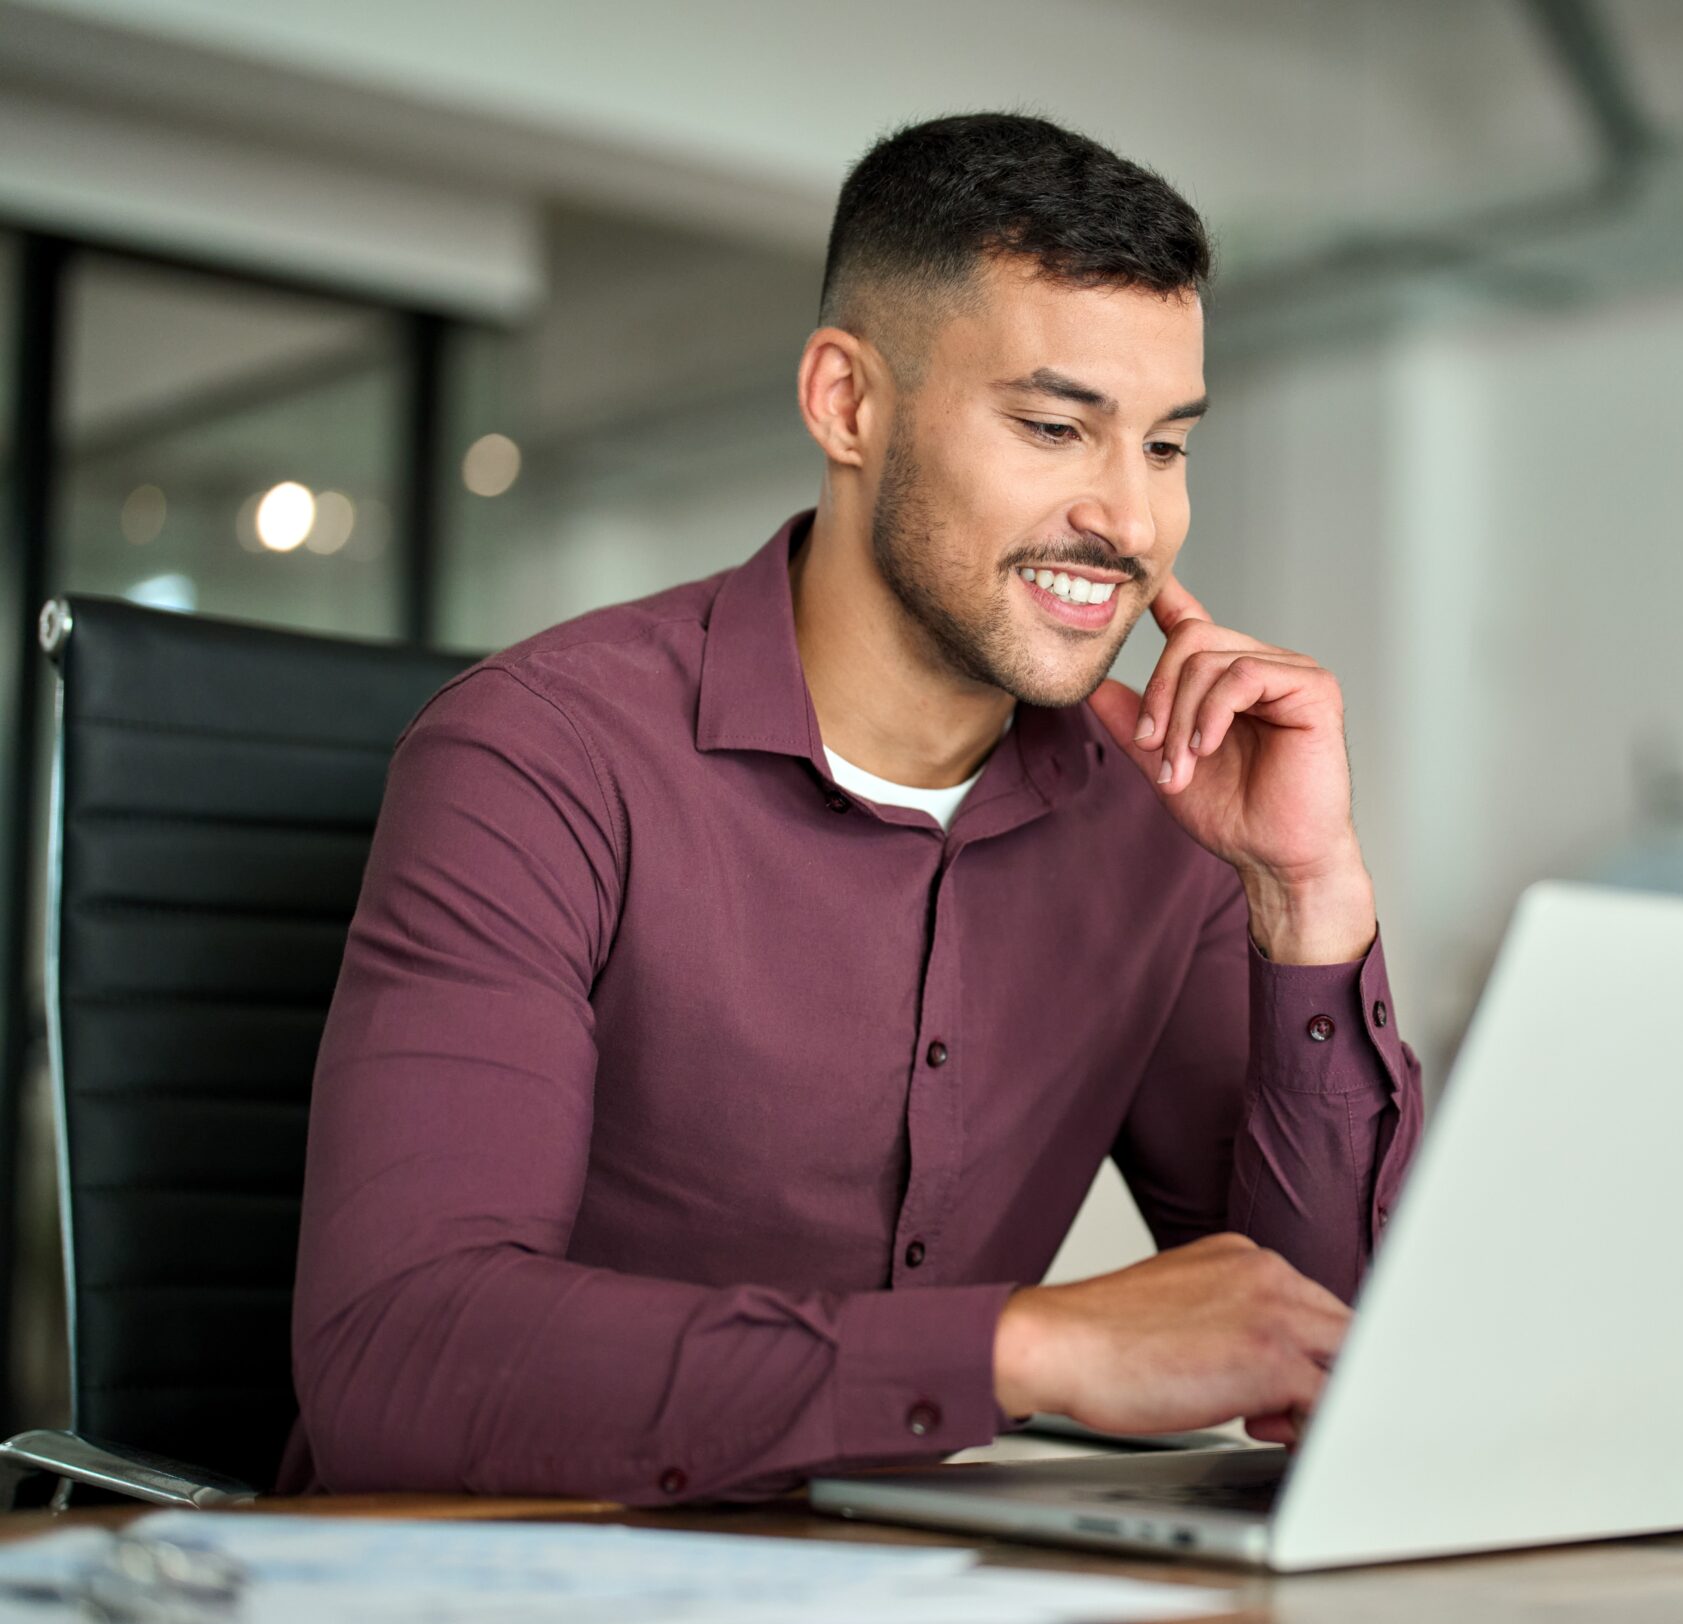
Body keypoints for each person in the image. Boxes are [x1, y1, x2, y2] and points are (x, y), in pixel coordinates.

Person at [281, 112, 1425, 1503]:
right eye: (1057, 427)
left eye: (1167, 446)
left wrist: (1305, 899)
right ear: (846, 404)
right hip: (515, 1612)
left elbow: (1335, 1365)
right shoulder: (539, 759)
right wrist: (1018, 1348)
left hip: (919, 1607)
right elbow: (401, 1362)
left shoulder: (1155, 818)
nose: (1130, 521)